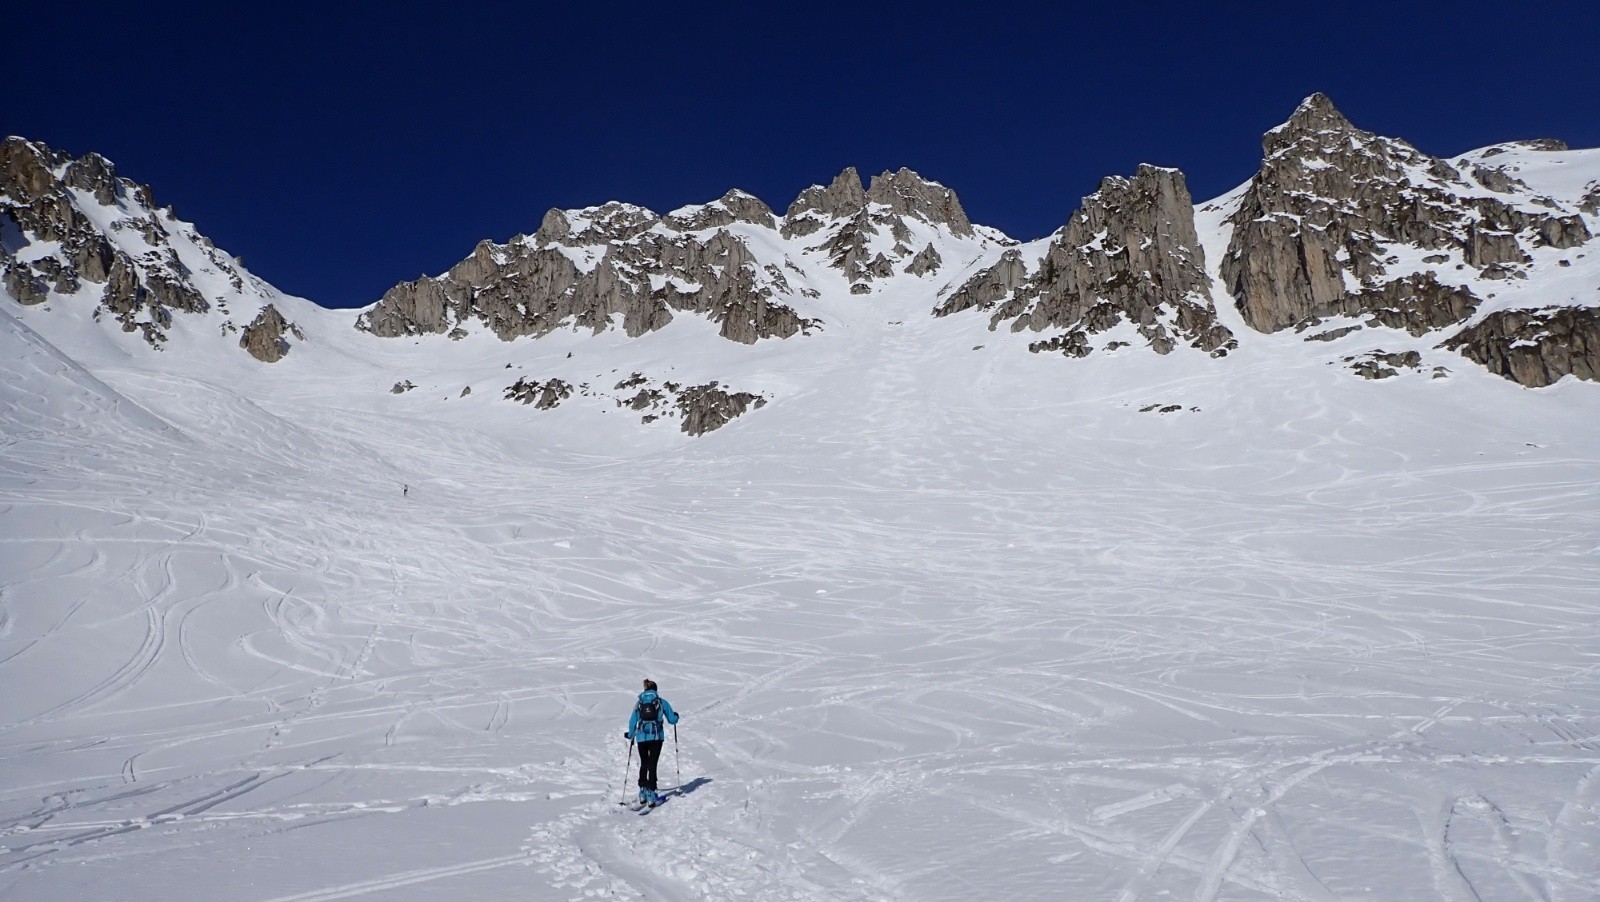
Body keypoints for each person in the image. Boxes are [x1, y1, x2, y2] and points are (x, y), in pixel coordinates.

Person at [624, 678, 679, 806]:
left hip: (641, 737)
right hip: (656, 737)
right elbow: (672, 719)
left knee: (644, 763)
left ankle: (642, 791)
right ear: (655, 690)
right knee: (652, 764)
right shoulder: (661, 702)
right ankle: (651, 793)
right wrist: (676, 717)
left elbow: (633, 721)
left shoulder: (639, 703)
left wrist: (631, 735)